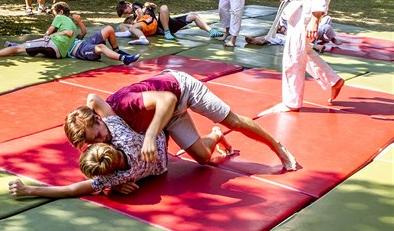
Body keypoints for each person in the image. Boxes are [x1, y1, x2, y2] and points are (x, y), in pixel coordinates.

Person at [65, 70, 297, 171]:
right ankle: (215, 135)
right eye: (94, 142)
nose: (101, 141)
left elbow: (166, 100)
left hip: (181, 90)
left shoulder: (123, 104)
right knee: (204, 160)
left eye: (97, 135)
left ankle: (278, 146)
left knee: (233, 122)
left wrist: (149, 136)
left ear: (98, 118)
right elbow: (91, 100)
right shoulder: (100, 128)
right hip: (165, 117)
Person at [8, 96, 174, 198]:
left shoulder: (114, 178)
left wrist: (28, 190)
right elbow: (93, 98)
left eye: (96, 139)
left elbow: (71, 190)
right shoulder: (121, 134)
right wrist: (88, 118)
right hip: (159, 130)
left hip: (160, 157)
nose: (99, 140)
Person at [0, 1, 77, 61]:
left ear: (61, 12)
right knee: (36, 47)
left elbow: (47, 33)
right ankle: (14, 45)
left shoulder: (59, 17)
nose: (53, 16)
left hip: (53, 44)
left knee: (19, 49)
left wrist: (50, 35)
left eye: (53, 13)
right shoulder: (73, 25)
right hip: (59, 54)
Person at [69, 15, 141, 65]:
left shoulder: (69, 34)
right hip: (79, 50)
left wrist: (79, 21)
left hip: (85, 42)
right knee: (101, 47)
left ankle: (116, 50)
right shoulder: (59, 39)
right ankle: (125, 59)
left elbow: (84, 32)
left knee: (109, 29)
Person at [246, 15, 341, 52]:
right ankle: (261, 40)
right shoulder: (284, 15)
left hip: (311, 32)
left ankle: (332, 38)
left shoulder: (305, 7)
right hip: (295, 36)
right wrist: (282, 29)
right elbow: (282, 28)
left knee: (327, 22)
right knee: (285, 39)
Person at [154, 4, 224, 40]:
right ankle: (167, 32)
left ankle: (211, 31)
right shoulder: (143, 10)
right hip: (157, 26)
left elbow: (154, 7)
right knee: (163, 7)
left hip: (168, 24)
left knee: (193, 15)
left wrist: (150, 5)